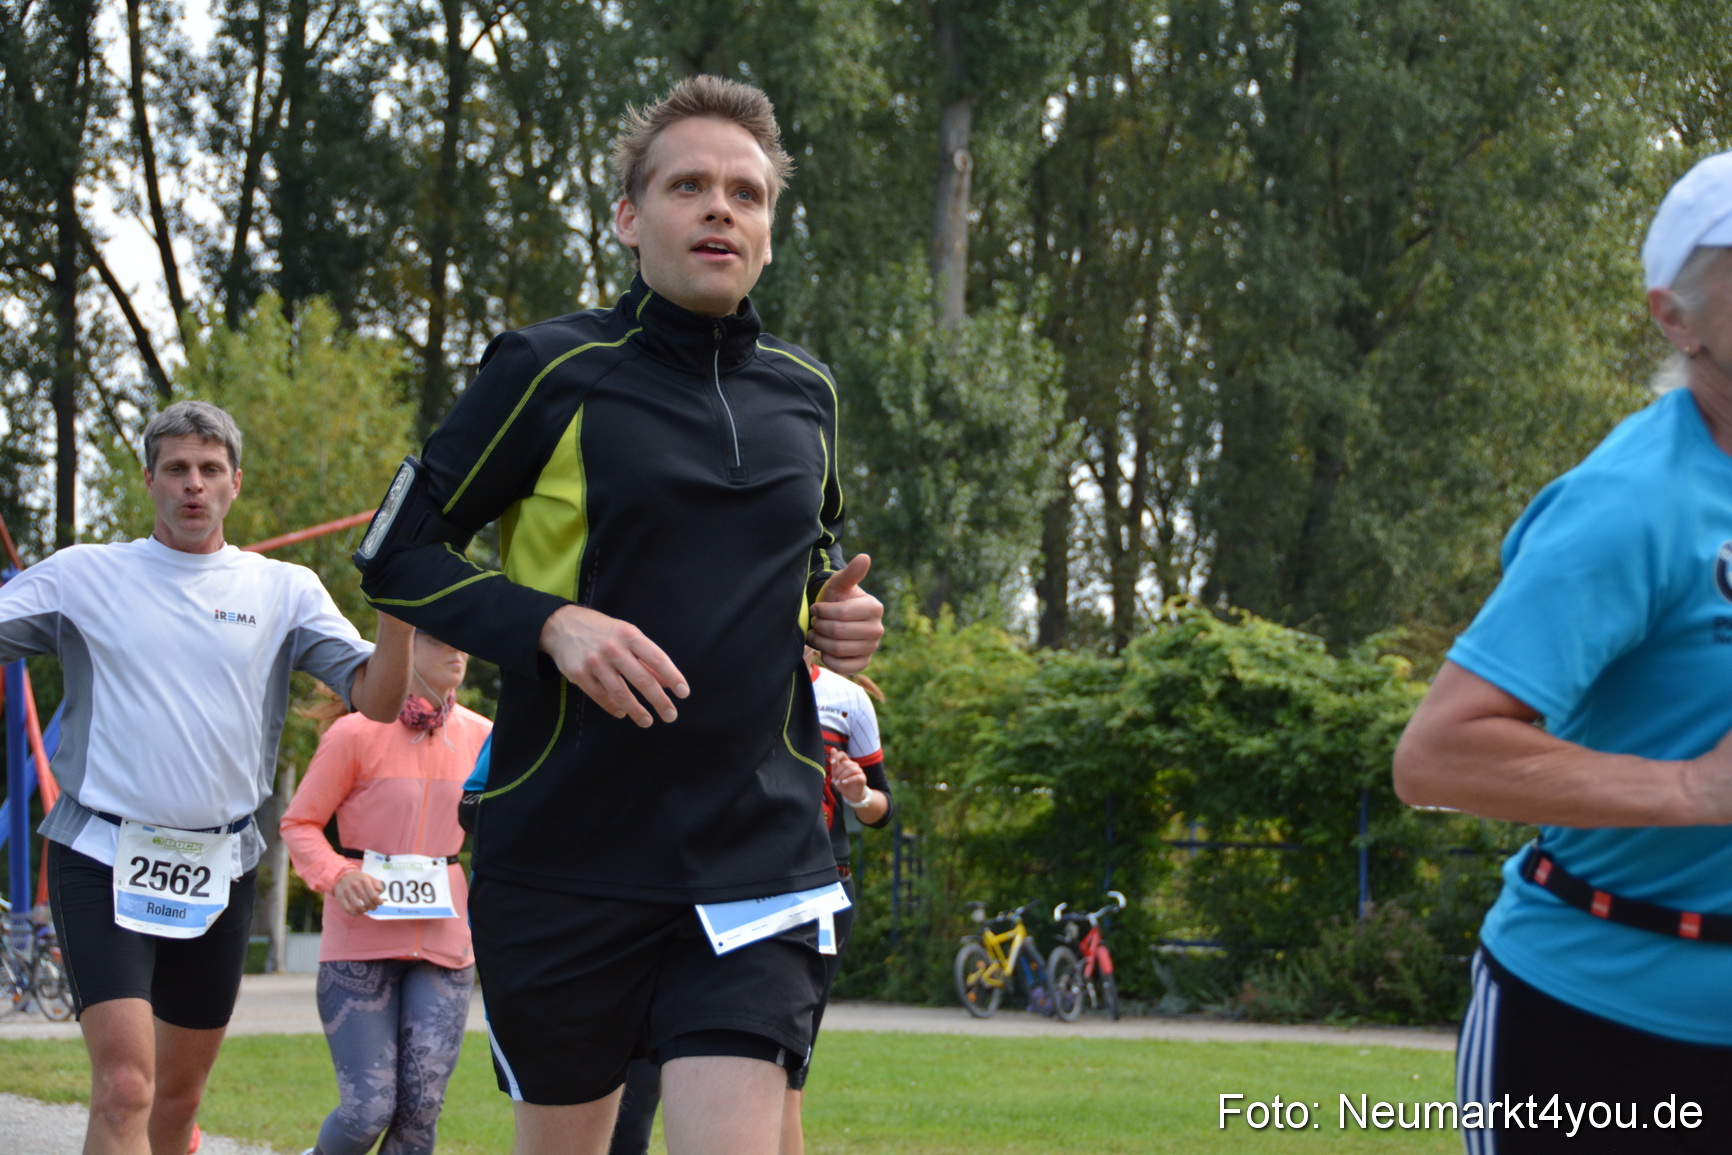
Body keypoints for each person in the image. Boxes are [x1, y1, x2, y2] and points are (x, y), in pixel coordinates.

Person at [352, 75, 884, 1155]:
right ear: (629, 219)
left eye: (745, 192)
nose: (719, 206)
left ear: (769, 233)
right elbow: (395, 552)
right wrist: (548, 623)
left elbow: (813, 558)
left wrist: (839, 616)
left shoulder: (808, 394)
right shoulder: (547, 368)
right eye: (688, 185)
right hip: (566, 854)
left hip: (756, 853)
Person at [1393, 150, 1732, 1153]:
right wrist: (1690, 790)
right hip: (1599, 1035)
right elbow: (1436, 754)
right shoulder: (1632, 504)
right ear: (1675, 318)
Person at [0, 399, 412, 1155]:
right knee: (125, 1086)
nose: (194, 484)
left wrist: (402, 604)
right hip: (101, 854)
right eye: (177, 469)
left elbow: (380, 700)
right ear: (149, 479)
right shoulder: (85, 575)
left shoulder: (283, 589)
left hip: (220, 864)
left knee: (178, 1100)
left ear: (235, 483)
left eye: (210, 469)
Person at [607, 653, 893, 1155]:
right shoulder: (711, 666)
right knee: (644, 1054)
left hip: (814, 890)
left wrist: (858, 794)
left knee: (784, 1070)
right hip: (704, 879)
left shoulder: (848, 698)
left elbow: (881, 808)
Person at [280, 629, 490, 1155]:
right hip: (360, 940)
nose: (458, 649)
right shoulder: (355, 732)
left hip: (444, 943)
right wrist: (338, 875)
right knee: (366, 1112)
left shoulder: (485, 736)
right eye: (440, 639)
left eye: (460, 639)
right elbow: (300, 824)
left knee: (420, 1112)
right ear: (403, 650)